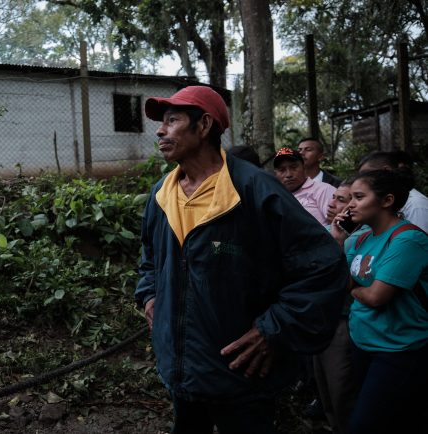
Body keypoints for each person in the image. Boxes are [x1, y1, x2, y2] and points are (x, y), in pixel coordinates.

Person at [135, 85, 349, 434]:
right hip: (182, 368)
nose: (160, 130)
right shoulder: (161, 193)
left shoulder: (254, 189)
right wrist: (149, 294)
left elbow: (323, 265)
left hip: (241, 375)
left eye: (172, 120)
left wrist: (274, 328)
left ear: (203, 125)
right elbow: (150, 257)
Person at [330, 169, 428, 434]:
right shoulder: (360, 239)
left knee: (366, 424)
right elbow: (342, 286)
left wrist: (355, 290)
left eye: (359, 197)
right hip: (363, 343)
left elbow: (375, 297)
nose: (350, 205)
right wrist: (339, 241)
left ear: (386, 201)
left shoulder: (407, 239)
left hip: (398, 350)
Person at [312, 181, 356, 434]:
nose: (332, 203)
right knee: (325, 386)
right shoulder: (322, 229)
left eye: (341, 200)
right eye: (334, 198)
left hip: (344, 319)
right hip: (321, 317)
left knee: (342, 389)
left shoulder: (359, 237)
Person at [357, 151, 428, 232]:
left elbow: (417, 240)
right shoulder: (381, 203)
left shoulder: (416, 205)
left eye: (367, 174)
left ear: (386, 170)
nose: (361, 179)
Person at [273, 147, 337, 225]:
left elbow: (338, 225)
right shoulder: (275, 198)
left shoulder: (323, 190)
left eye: (293, 167)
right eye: (282, 170)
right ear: (275, 173)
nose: (288, 174)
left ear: (304, 167)